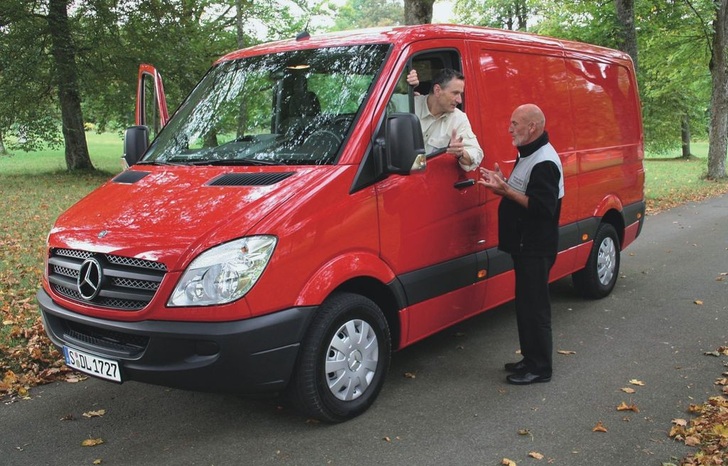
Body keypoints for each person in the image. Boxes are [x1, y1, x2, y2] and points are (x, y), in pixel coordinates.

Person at [477, 104, 564, 385]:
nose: (509, 128)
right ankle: (530, 359)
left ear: (532, 128)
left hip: (536, 247)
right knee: (525, 306)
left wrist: (505, 191)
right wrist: (503, 182)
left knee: (535, 308)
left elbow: (543, 208)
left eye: (515, 123)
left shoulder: (545, 162)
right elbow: (523, 189)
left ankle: (540, 368)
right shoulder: (528, 153)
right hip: (525, 246)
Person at [394, 68, 483, 172]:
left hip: (428, 180)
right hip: (395, 178)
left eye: (460, 94)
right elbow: (376, 105)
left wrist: (460, 153)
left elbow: (476, 155)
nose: (459, 100)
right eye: (455, 93)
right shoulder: (407, 104)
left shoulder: (458, 119)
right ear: (437, 90)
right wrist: (402, 86)